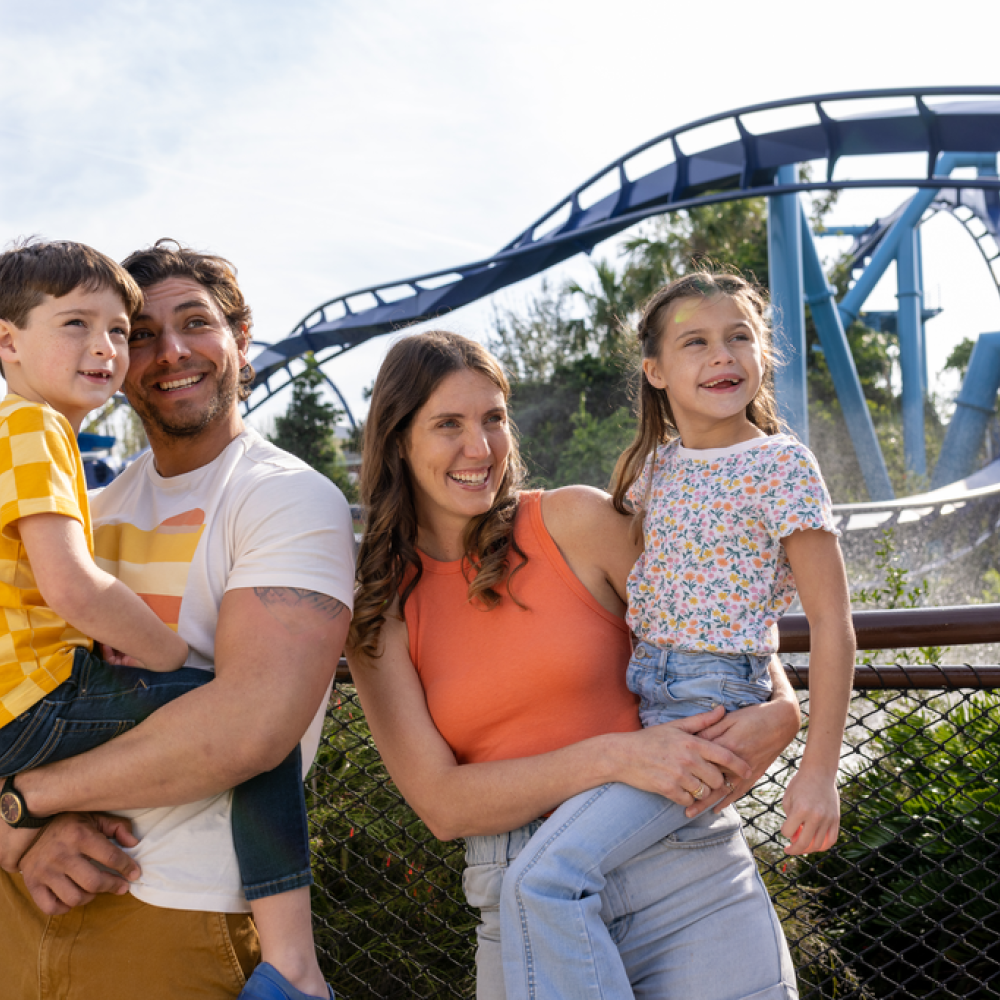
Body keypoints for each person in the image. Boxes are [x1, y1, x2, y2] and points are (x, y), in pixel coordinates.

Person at [346, 329, 804, 999]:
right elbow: (442, 805)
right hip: (520, 897)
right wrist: (616, 757)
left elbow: (717, 628)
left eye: (494, 419)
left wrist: (783, 705)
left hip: (683, 877)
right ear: (397, 440)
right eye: (448, 424)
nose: (480, 449)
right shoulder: (379, 611)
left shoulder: (573, 522)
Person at [0, 239, 355, 1000]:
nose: (170, 352)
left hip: (176, 914)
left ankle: (297, 971)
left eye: (195, 323)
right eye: (144, 333)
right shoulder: (83, 508)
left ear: (240, 340)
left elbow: (254, 728)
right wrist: (18, 843)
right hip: (29, 899)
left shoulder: (285, 499)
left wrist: (24, 802)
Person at [496, 270, 855, 998]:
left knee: (544, 879)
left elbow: (832, 626)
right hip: (646, 706)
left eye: (739, 338)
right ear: (656, 372)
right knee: (551, 874)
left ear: (761, 356)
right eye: (696, 342)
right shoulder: (655, 470)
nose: (721, 355)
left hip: (712, 712)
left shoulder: (780, 465)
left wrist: (818, 772)